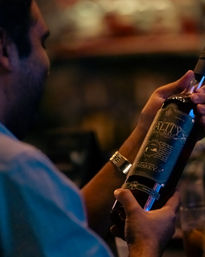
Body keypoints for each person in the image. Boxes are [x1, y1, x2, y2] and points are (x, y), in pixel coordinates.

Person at [0, 0, 205, 256]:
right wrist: (146, 244)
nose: (47, 66)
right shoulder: (15, 167)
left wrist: (145, 131)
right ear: (5, 49)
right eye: (42, 43)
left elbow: (68, 227)